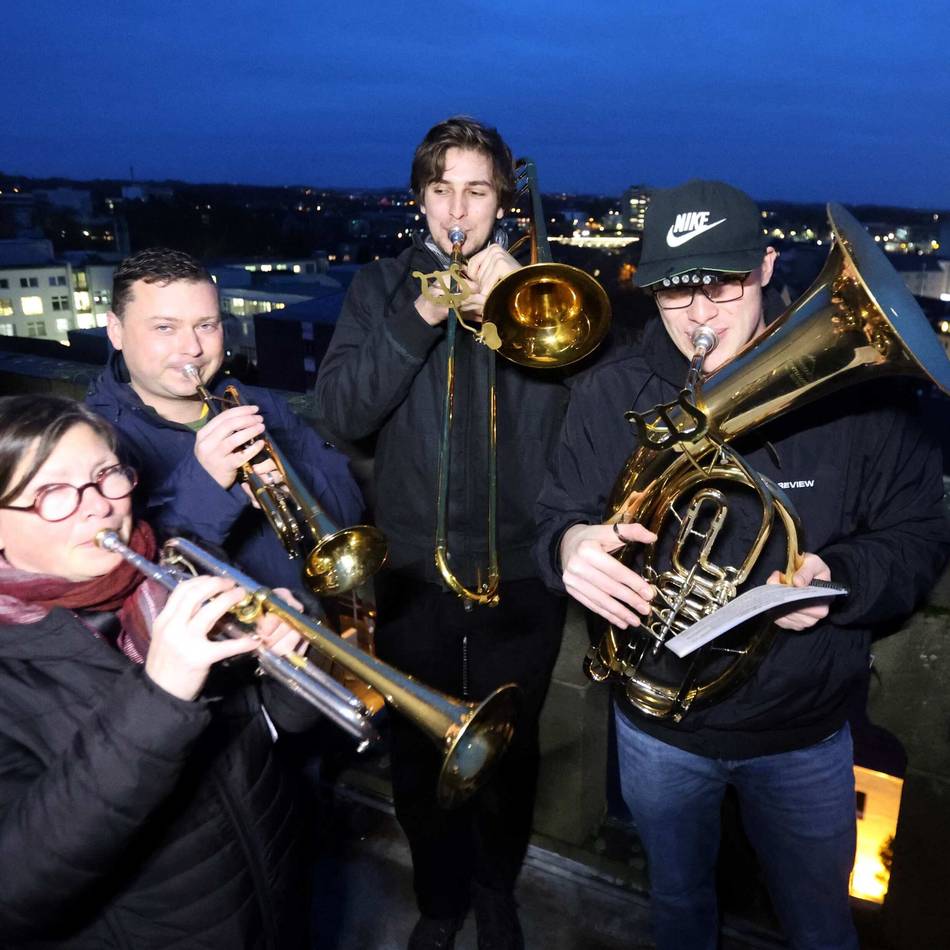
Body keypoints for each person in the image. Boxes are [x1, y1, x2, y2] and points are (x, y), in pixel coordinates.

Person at [534, 179, 950, 950]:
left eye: (719, 283)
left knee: (822, 926)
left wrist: (840, 577)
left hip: (805, 735)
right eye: (672, 291)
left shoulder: (867, 399)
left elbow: (922, 531)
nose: (697, 314)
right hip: (661, 733)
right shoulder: (614, 391)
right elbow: (557, 515)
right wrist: (567, 548)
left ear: (763, 266)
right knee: (679, 909)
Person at [314, 116, 570, 950]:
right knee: (421, 759)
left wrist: (517, 308)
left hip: (522, 580)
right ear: (419, 198)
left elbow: (582, 420)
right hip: (416, 580)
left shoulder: (539, 290)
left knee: (510, 754)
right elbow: (343, 416)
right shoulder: (379, 289)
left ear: (501, 201)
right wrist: (421, 313)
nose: (458, 209)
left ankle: (497, 891)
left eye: (478, 189)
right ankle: (439, 900)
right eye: (442, 188)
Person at [0, 394, 320, 948]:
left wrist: (292, 652)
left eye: (106, 475)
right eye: (51, 493)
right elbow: (16, 897)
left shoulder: (178, 560)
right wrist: (160, 697)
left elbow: (269, 725)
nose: (100, 507)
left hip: (271, 892)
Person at [86, 247, 364, 593]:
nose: (192, 348)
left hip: (303, 617)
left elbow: (351, 507)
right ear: (115, 330)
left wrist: (295, 480)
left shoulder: (259, 404)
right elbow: (134, 583)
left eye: (206, 325)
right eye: (164, 328)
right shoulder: (93, 443)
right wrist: (208, 483)